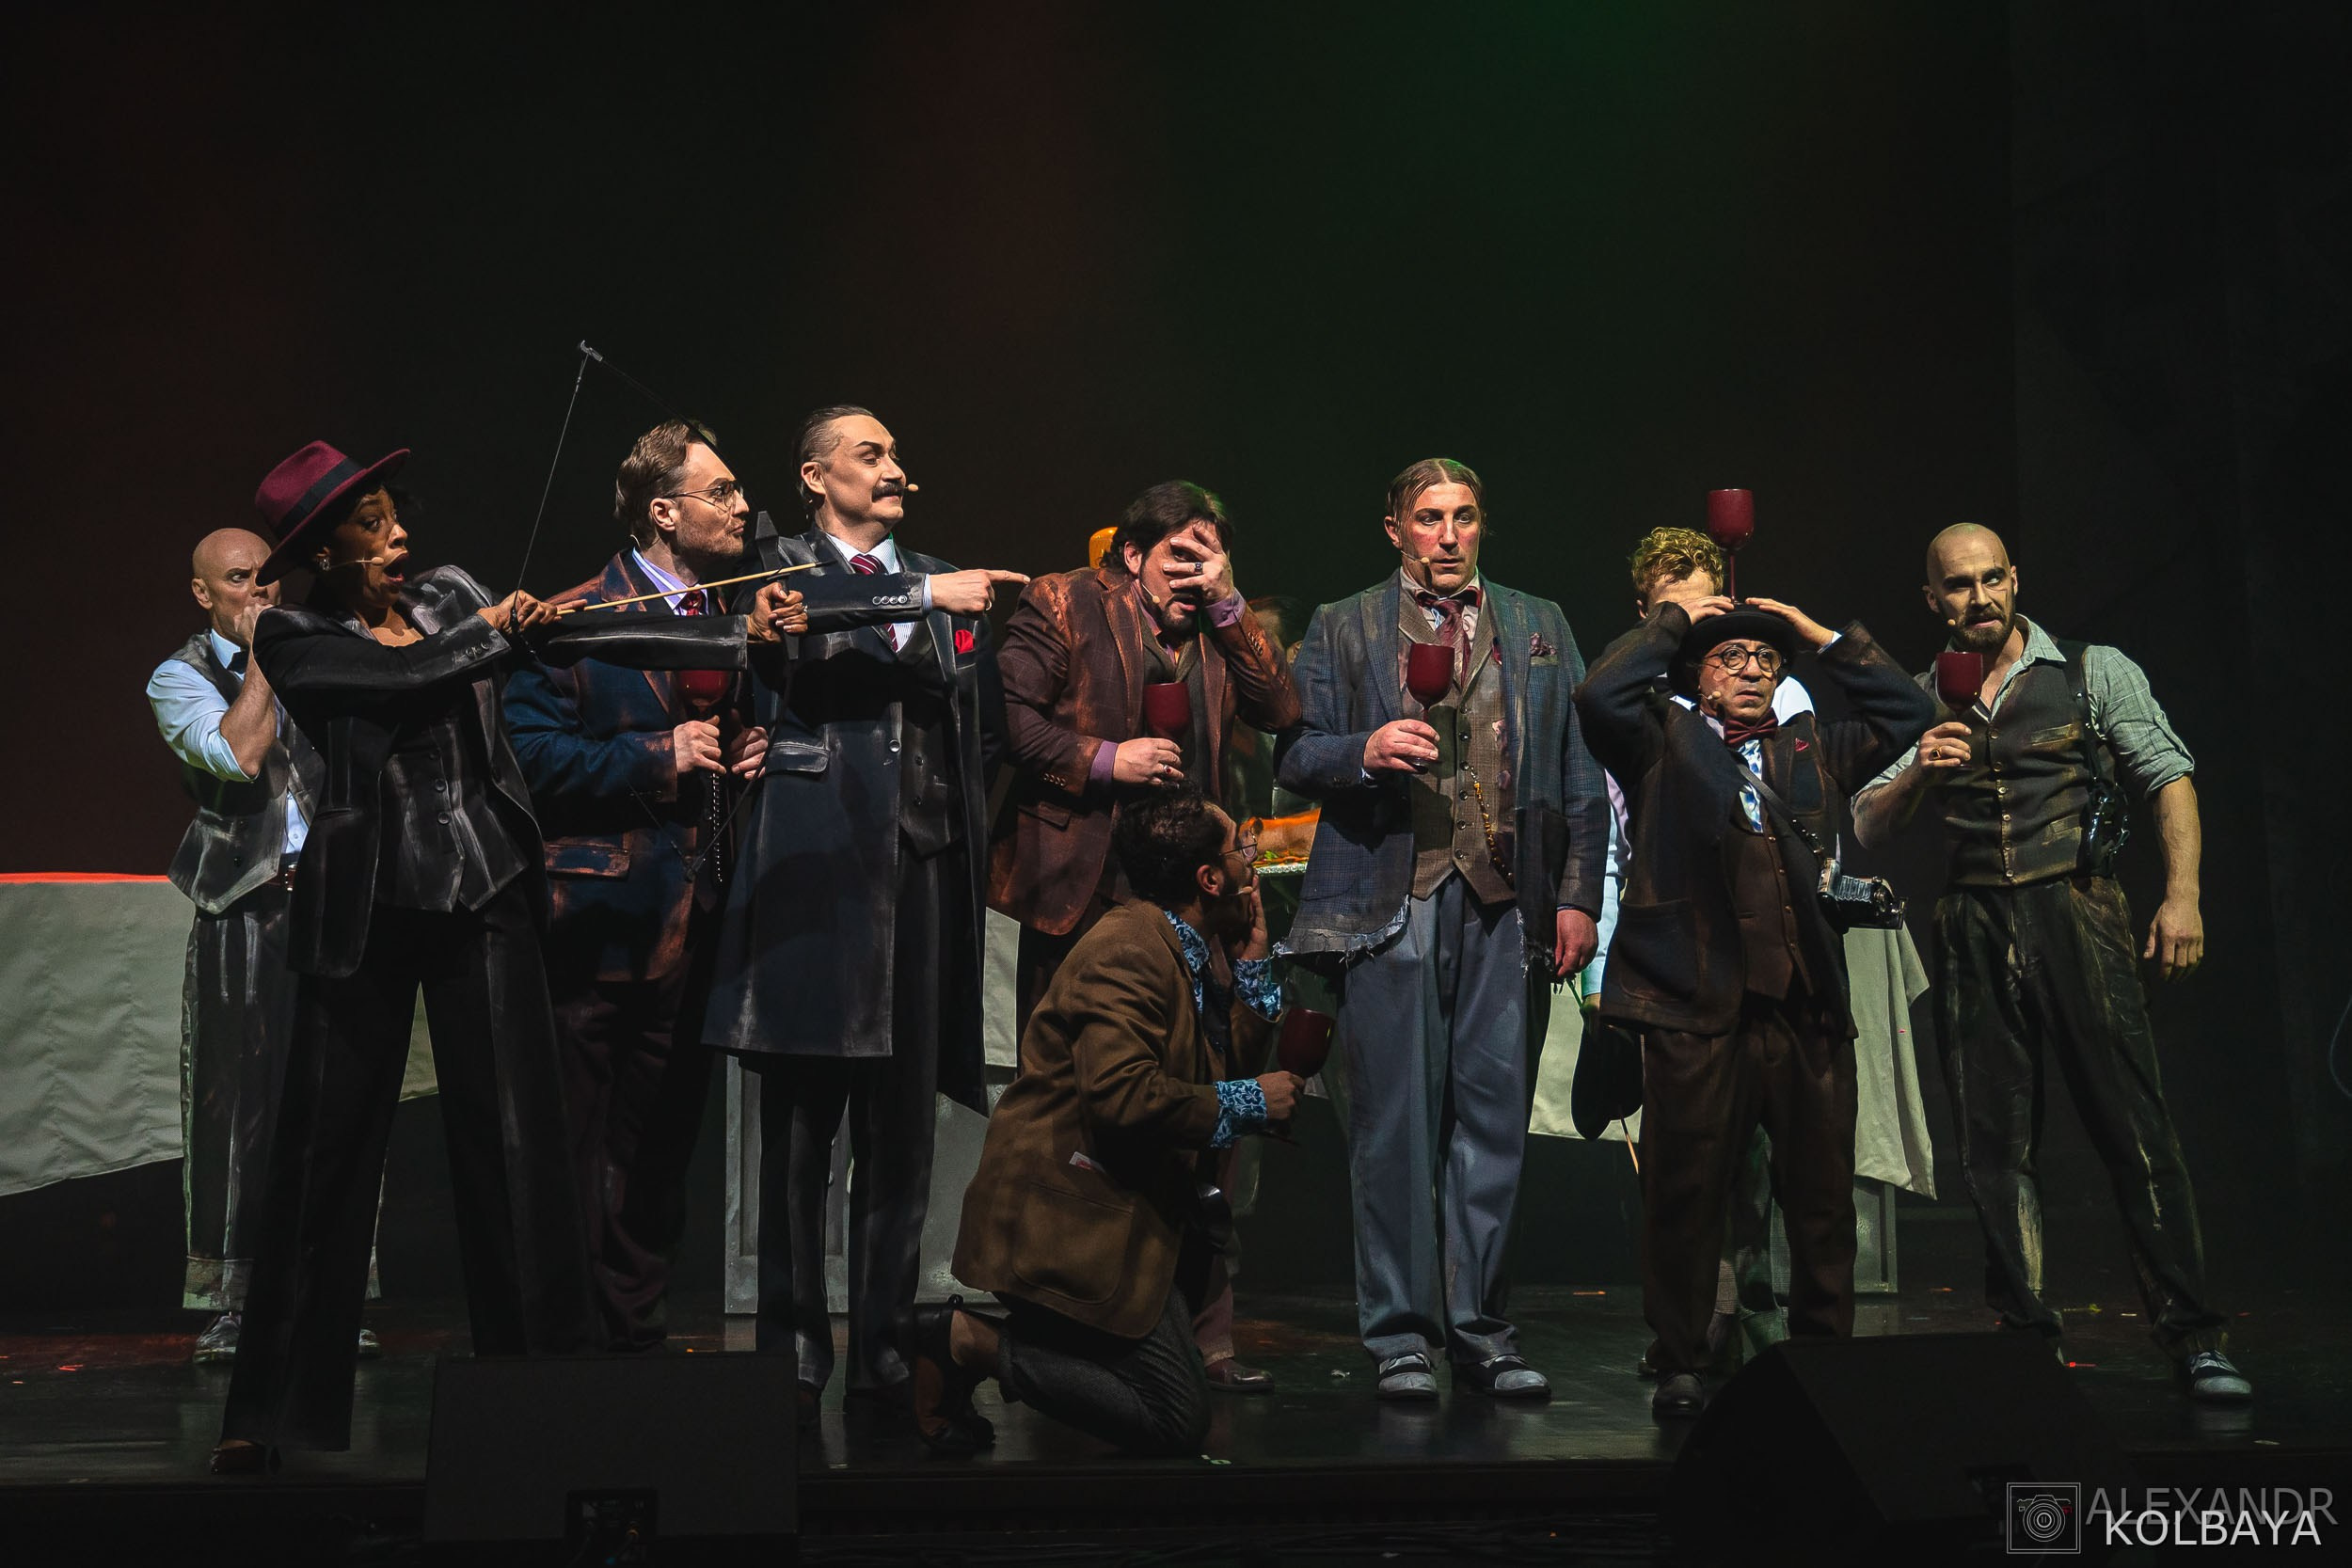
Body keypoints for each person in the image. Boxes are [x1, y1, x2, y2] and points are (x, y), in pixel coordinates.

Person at [213, 440, 793, 1468]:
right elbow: (392, 682)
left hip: (480, 879)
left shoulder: (446, 594)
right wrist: (487, 634)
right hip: (366, 902)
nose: (398, 534)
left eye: (396, 513)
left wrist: (737, 635)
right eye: (371, 522)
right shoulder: (294, 632)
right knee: (323, 1155)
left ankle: (547, 1392)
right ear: (324, 548)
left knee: (519, 1147)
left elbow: (585, 633)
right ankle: (273, 1414)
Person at [1851, 523, 2249, 1402]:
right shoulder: (1921, 696)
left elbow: (2167, 773)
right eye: (1960, 585)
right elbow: (1869, 824)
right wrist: (1921, 769)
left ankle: (2193, 1334)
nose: (1980, 597)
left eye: (1994, 579)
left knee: (2134, 1129)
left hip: (2076, 903)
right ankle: (2025, 1333)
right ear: (1933, 599)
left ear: (2015, 579)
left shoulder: (2091, 669)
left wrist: (2182, 894)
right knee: (1992, 1142)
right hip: (1974, 918)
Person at [702, 405, 1025, 1423]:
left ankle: (885, 1344)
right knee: (801, 1129)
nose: (895, 469)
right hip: (816, 863)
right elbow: (795, 620)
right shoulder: (775, 564)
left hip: (920, 868)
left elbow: (976, 728)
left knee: (902, 1133)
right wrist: (924, 590)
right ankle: (793, 1349)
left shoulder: (935, 577)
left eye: (895, 453)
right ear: (813, 474)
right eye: (870, 454)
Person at [1276, 457, 1607, 1401]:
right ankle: (1400, 1334)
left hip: (1506, 898)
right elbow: (1293, 753)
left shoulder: (1539, 623)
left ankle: (1483, 1329)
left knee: (1494, 1125)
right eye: (1429, 518)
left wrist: (1578, 894)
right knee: (1393, 1127)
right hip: (1395, 893)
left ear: (1482, 525)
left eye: (1463, 517)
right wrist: (1362, 750)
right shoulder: (1343, 625)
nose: (1449, 534)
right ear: (1395, 530)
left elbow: (1580, 769)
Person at [1577, 593, 1933, 1418]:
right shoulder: (1659, 740)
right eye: (1730, 657)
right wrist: (1671, 621)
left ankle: (1825, 1353)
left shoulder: (1808, 744)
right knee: (1685, 1193)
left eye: (1766, 661)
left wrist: (1821, 633)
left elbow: (1909, 709)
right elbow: (1598, 694)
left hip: (1802, 1007)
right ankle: (1679, 1359)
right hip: (1696, 1005)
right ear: (1696, 679)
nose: (1751, 670)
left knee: (1821, 1196)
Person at [989, 481, 1299, 1392]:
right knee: (1082, 1114)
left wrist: (1231, 602)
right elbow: (1007, 719)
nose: (1193, 575)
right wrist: (1104, 758)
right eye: (1179, 556)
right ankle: (1059, 1321)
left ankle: (1205, 1331)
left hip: (1183, 900)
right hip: (1079, 893)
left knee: (1206, 1107)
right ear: (1131, 554)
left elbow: (1280, 710)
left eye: (1209, 557)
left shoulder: (1213, 625)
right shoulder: (1065, 599)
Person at [503, 420, 780, 1352]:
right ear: (663, 510)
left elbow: (720, 725)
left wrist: (740, 746)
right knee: (578, 1140)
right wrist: (656, 754)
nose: (743, 506)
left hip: (698, 913)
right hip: (598, 917)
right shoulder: (574, 615)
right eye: (723, 491)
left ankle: (634, 1325)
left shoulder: (723, 615)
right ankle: (569, 1331)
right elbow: (527, 755)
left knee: (661, 1142)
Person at [915, 791, 1302, 1456]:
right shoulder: (1129, 950)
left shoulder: (1184, 949)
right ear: (1208, 879)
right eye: (1240, 846)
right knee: (1175, 1417)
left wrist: (1253, 964)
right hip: (1067, 1220)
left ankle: (1000, 1346)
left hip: (1122, 1221)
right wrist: (1252, 1102)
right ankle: (965, 1342)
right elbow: (1123, 1098)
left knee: (1170, 1392)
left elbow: (1218, 1065)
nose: (1252, 860)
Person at [1581, 527, 1816, 1378]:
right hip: (1671, 965)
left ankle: (1753, 1319)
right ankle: (1690, 1327)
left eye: (1708, 596)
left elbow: (1806, 814)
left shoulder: (1773, 695)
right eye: (1676, 601)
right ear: (1649, 611)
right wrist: (1606, 961)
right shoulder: (1640, 710)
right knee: (1684, 1162)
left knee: (1757, 1160)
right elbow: (1607, 839)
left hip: (1762, 963)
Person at [147, 529, 383, 1364]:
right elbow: (239, 757)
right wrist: (265, 659)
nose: (259, 595)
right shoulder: (178, 677)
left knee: (335, 1101)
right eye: (239, 582)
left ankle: (333, 1294)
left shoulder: (314, 648)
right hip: (242, 907)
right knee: (238, 1106)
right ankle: (237, 1303)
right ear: (204, 594)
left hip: (327, 901)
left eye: (267, 581)